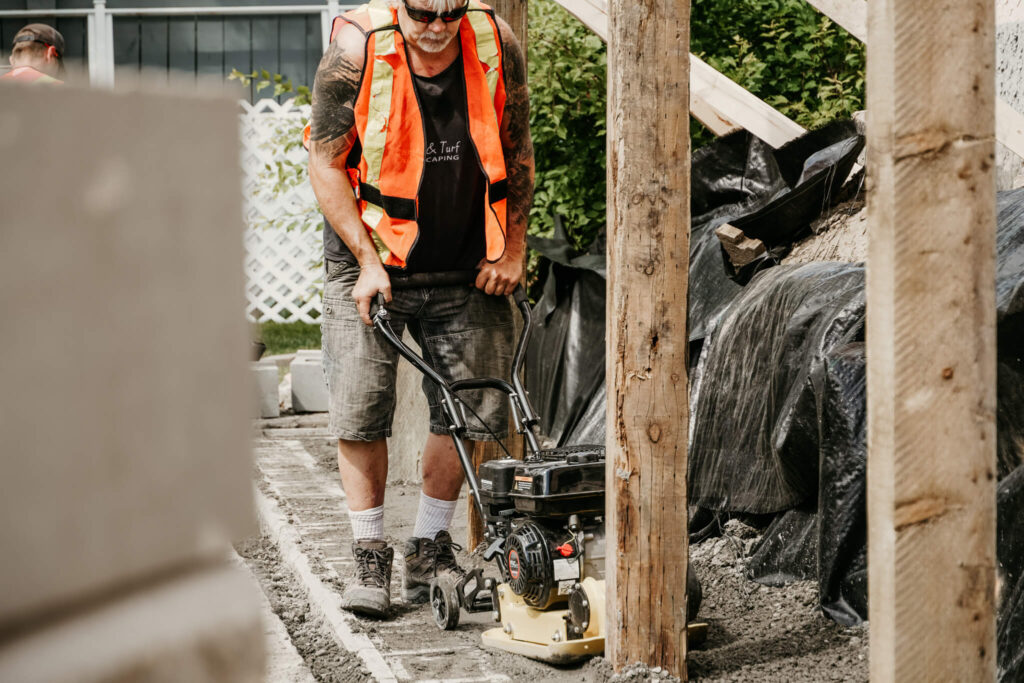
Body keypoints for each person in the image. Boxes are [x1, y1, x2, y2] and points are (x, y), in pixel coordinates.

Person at [306, 0, 533, 618]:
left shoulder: (494, 41)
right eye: (422, 13)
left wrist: (512, 248)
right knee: (360, 408)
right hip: (370, 259)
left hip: (468, 261)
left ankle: (428, 547)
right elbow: (325, 164)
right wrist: (368, 261)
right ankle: (368, 556)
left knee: (475, 405)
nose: (436, 26)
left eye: (449, 13)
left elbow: (517, 150)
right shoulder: (357, 49)